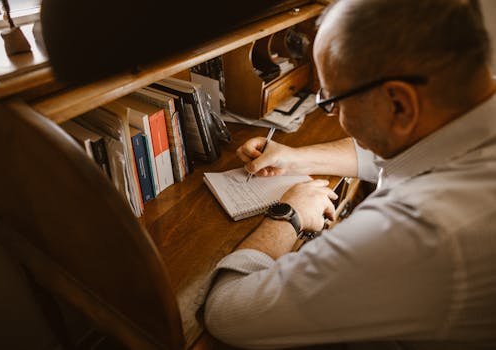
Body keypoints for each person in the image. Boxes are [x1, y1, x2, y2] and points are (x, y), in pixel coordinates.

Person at [200, 0, 496, 349]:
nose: (333, 115)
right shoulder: (468, 108)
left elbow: (227, 311)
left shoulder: (425, 232)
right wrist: (295, 158)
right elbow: (400, 147)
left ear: (399, 104)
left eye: (332, 102)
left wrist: (288, 215)